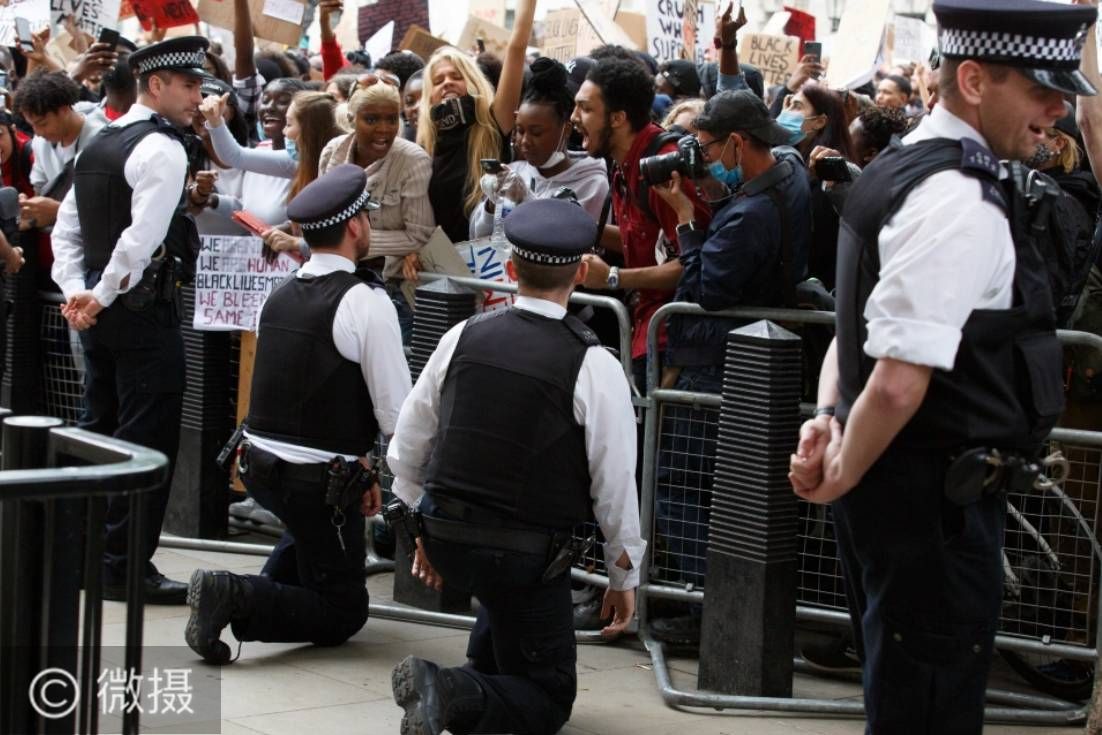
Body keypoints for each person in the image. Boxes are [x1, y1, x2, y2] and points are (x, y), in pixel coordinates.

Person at [788, 1, 1096, 731]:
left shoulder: (901, 166)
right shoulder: (958, 197)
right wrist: (843, 466)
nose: (1057, 109)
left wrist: (831, 419)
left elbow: (857, 333)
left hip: (906, 494)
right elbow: (897, 380)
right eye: (1040, 90)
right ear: (975, 80)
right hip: (932, 511)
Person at [386, 198, 644, 735]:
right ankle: (445, 688)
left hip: (449, 539)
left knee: (502, 637)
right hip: (524, 557)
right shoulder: (594, 363)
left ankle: (465, 685)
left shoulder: (462, 335)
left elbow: (406, 446)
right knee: (548, 699)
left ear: (509, 269)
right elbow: (614, 484)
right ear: (581, 273)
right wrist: (624, 575)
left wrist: (418, 529)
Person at [185, 164, 410, 663]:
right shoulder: (366, 301)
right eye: (367, 217)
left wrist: (360, 464)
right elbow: (396, 414)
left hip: (261, 468)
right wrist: (406, 484)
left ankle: (236, 597)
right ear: (355, 227)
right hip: (316, 482)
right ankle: (235, 593)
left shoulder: (282, 290)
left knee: (307, 534)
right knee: (343, 609)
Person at [645, 90, 811, 646]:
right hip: (756, 358)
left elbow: (708, 291)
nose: (703, 158)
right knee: (733, 494)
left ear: (738, 143)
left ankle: (709, 610)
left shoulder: (749, 216)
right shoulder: (789, 174)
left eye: (709, 147)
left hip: (721, 362)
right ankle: (728, 612)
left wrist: (687, 220)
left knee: (678, 486)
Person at [49, 36, 211, 604]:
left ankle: (90, 558)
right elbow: (139, 241)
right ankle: (123, 567)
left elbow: (67, 232)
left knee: (100, 433)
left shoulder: (99, 141)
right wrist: (93, 295)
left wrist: (78, 292)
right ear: (156, 85)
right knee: (146, 442)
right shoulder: (161, 148)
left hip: (103, 317)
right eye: (188, 86)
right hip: (140, 316)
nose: (198, 97)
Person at [572, 57, 712, 388]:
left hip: (673, 345)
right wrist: (577, 227)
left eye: (585, 109)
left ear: (618, 118)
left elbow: (695, 266)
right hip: (645, 333)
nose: (574, 118)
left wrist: (612, 277)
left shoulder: (664, 167)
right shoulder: (623, 164)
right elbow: (644, 242)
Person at [318, 81, 434, 339]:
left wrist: (352, 242)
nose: (383, 129)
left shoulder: (412, 160)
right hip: (334, 282)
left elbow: (420, 236)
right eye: (371, 119)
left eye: (391, 119)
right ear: (352, 119)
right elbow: (321, 218)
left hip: (392, 289)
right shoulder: (332, 153)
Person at [416, 0, 534, 244]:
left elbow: (516, 49)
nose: (447, 82)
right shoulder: (424, 144)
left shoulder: (492, 123)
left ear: (472, 81)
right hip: (442, 261)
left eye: (456, 76)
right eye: (438, 81)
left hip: (492, 260)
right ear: (430, 96)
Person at [469, 57, 609, 238]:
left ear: (566, 129)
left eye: (536, 133)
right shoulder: (515, 171)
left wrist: (525, 198)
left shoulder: (592, 184)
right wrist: (491, 204)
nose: (525, 141)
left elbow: (566, 239)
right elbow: (477, 237)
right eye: (520, 131)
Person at [13, 71, 106, 234]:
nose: (38, 132)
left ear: (64, 110)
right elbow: (40, 189)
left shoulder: (104, 140)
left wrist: (59, 212)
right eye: (32, 125)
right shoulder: (40, 143)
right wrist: (31, 207)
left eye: (43, 124)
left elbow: (111, 207)